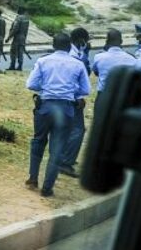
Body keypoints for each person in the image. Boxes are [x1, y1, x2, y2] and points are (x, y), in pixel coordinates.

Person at [25, 33, 90, 197]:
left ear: (53, 46)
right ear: (69, 46)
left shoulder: (42, 61)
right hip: (66, 109)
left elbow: (31, 84)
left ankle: (33, 178)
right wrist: (70, 90)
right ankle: (47, 187)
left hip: (45, 106)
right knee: (57, 148)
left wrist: (46, 87)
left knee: (38, 140)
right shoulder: (77, 64)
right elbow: (85, 90)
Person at [60, 27, 92, 177]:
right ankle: (65, 162)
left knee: (69, 128)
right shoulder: (76, 56)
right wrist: (78, 97)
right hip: (72, 98)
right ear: (81, 40)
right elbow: (76, 79)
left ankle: (65, 156)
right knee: (78, 129)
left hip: (65, 97)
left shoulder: (75, 52)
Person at [92, 28, 137, 96]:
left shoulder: (98, 57)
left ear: (107, 41)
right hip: (124, 97)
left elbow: (96, 73)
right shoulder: (132, 59)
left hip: (104, 97)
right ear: (121, 41)